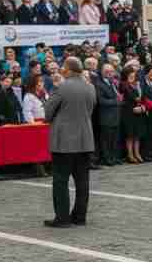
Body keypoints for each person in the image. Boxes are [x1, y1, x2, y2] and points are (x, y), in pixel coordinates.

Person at [43, 57, 96, 228]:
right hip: (84, 139)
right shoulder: (90, 87)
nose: (61, 70)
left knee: (60, 180)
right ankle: (80, 216)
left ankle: (62, 218)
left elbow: (48, 113)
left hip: (64, 141)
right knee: (82, 181)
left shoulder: (61, 87)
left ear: (69, 69)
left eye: (63, 67)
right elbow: (90, 110)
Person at [93, 62, 123, 166]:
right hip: (106, 116)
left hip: (115, 115)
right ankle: (107, 159)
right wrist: (117, 101)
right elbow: (101, 101)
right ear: (103, 72)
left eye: (112, 71)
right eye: (108, 72)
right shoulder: (98, 84)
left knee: (115, 139)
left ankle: (114, 157)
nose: (110, 74)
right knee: (106, 140)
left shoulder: (113, 83)